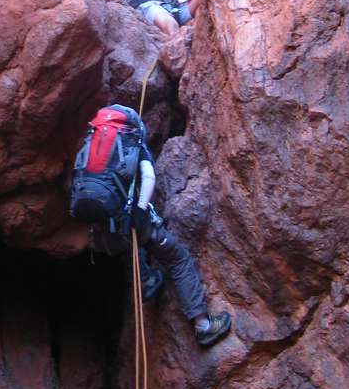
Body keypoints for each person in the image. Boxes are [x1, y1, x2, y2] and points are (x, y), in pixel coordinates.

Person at [70, 104, 231, 349]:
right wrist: (140, 208)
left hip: (101, 232)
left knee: (126, 244)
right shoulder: (131, 141)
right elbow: (149, 176)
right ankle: (204, 326)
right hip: (130, 223)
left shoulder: (91, 143)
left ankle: (146, 281)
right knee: (177, 259)